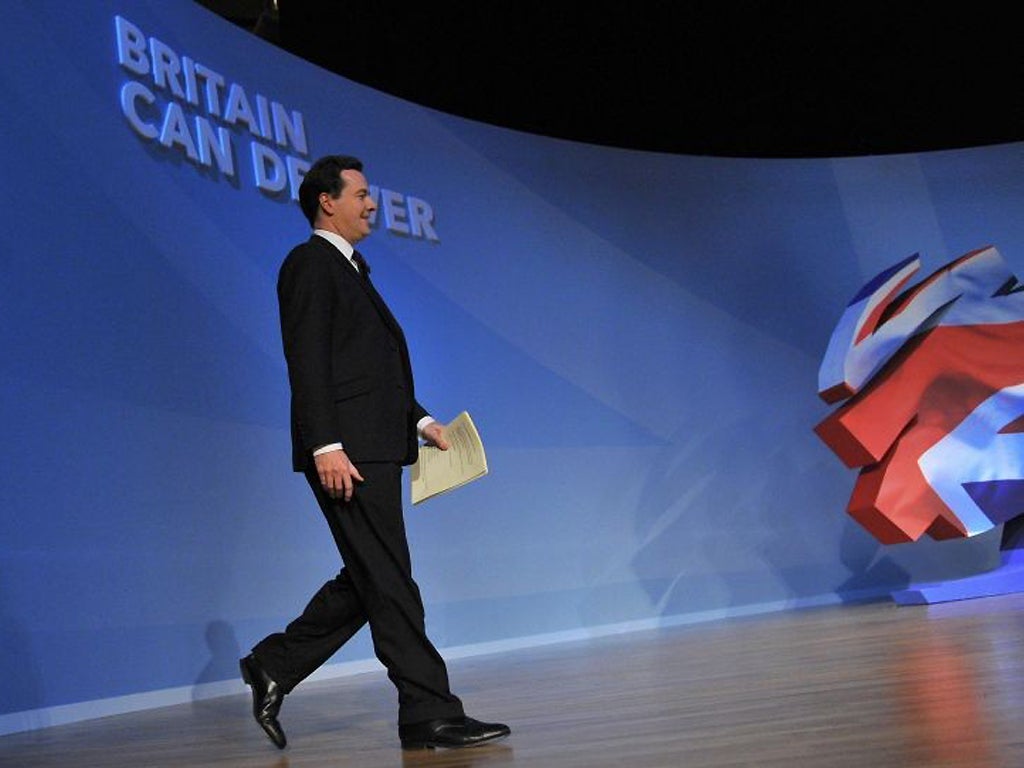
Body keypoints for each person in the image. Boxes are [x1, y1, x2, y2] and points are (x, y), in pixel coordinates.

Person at [240, 154, 510, 751]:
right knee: (389, 580)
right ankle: (428, 712)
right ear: (326, 201)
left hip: (373, 445)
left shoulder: (351, 269)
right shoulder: (309, 264)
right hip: (347, 453)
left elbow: (369, 369)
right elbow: (307, 361)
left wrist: (423, 421)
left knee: (375, 577)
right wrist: (325, 445)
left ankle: (274, 665)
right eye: (360, 193)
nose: (372, 203)